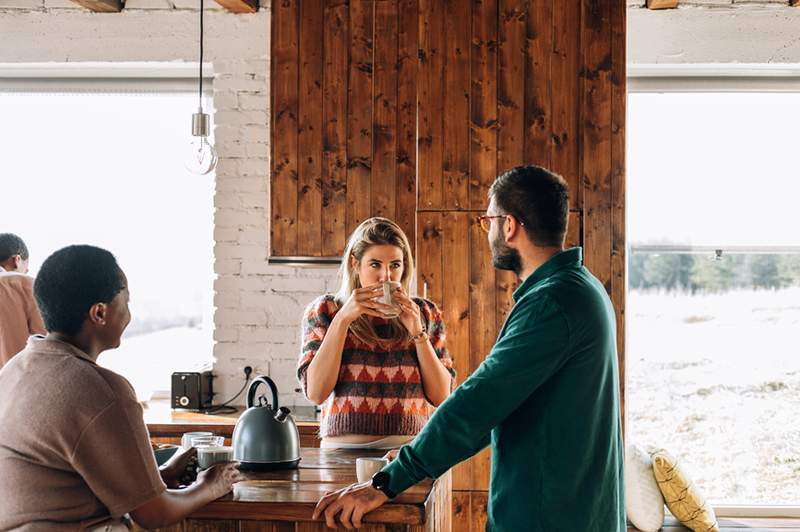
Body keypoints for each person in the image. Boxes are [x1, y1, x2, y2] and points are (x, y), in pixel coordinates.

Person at [313, 166, 625, 531]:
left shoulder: (552, 302)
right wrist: (414, 456)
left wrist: (386, 481)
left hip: (550, 516)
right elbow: (494, 409)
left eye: (488, 220)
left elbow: (476, 405)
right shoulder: (580, 287)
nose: (488, 231)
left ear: (509, 226)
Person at [0, 245, 243, 531]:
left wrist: (158, 477)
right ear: (100, 312)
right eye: (126, 302)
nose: (129, 314)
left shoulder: (14, 369)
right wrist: (211, 485)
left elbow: (62, 482)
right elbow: (156, 514)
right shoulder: (103, 391)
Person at [298, 217, 455, 451]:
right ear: (355, 263)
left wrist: (417, 330)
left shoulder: (425, 312)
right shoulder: (325, 311)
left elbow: (442, 396)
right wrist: (342, 320)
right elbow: (316, 392)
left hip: (408, 453)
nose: (386, 276)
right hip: (341, 453)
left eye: (395, 265)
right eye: (375, 264)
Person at [0, 233, 46, 368]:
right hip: (16, 383)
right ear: (16, 260)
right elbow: (52, 342)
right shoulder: (23, 285)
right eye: (25, 270)